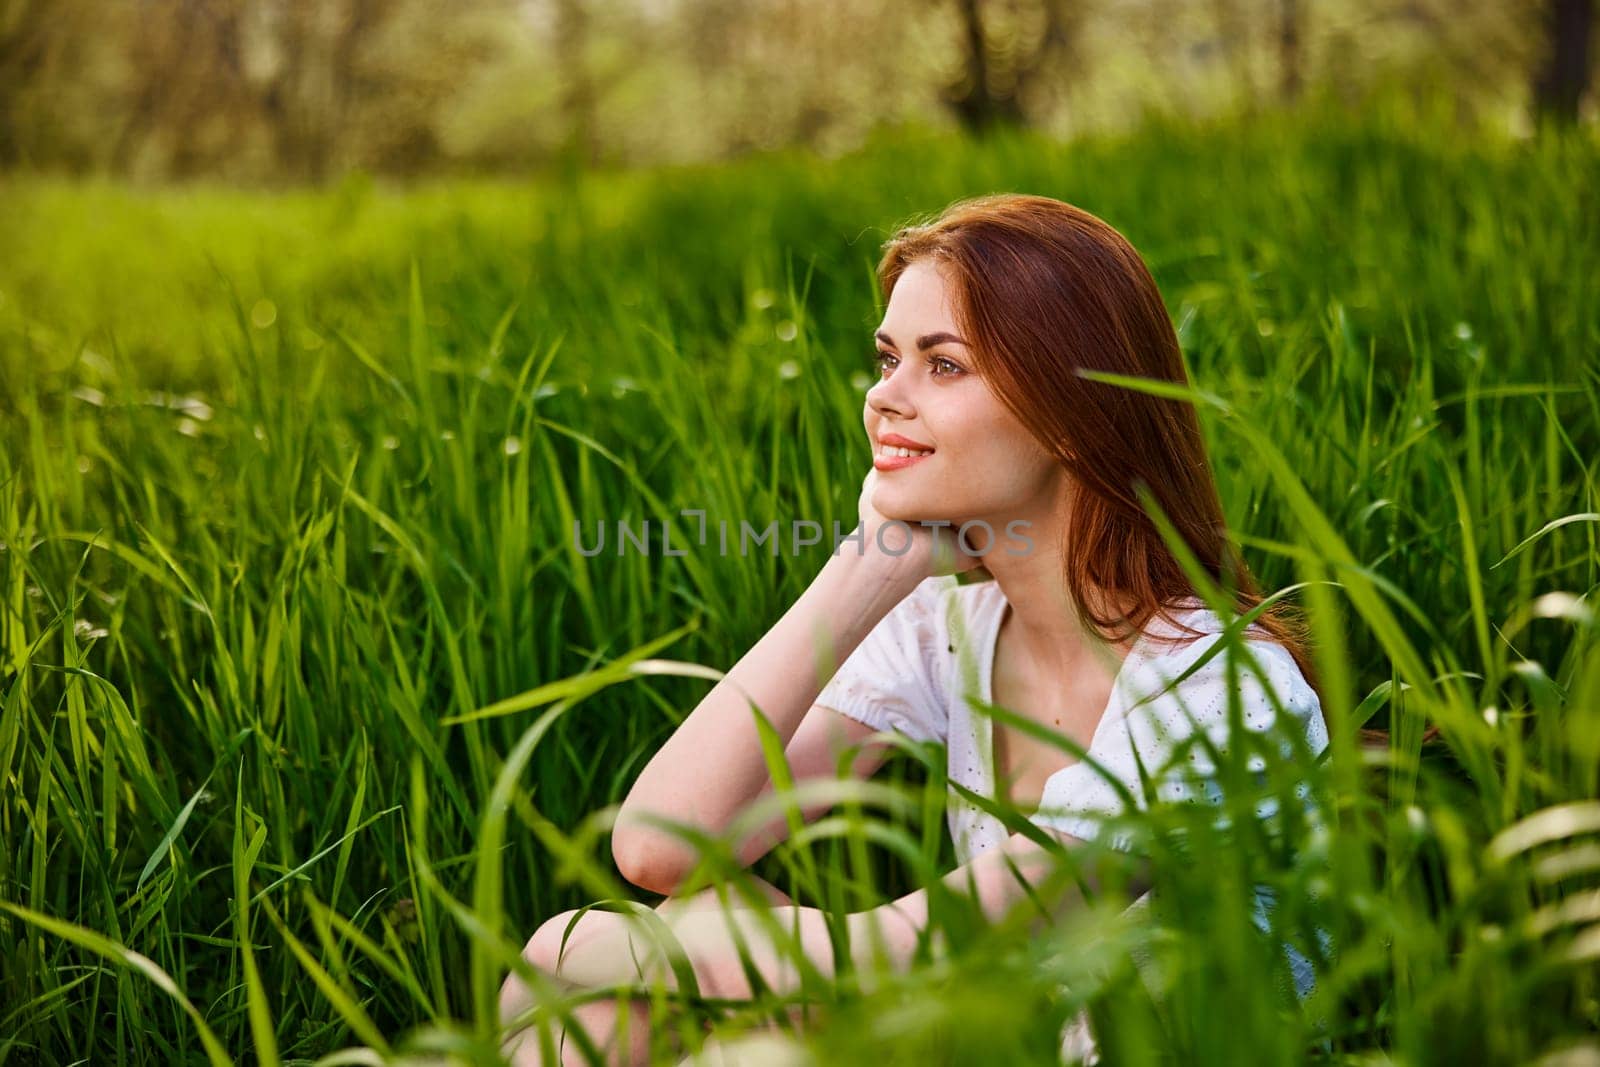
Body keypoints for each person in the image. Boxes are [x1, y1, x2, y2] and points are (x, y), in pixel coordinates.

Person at [498, 193, 1333, 1066]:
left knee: (589, 963)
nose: (883, 395)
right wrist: (870, 563)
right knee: (604, 990)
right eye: (889, 357)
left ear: (1073, 417)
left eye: (943, 366)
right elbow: (662, 843)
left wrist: (591, 945)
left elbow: (905, 952)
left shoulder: (1219, 693)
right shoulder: (955, 623)